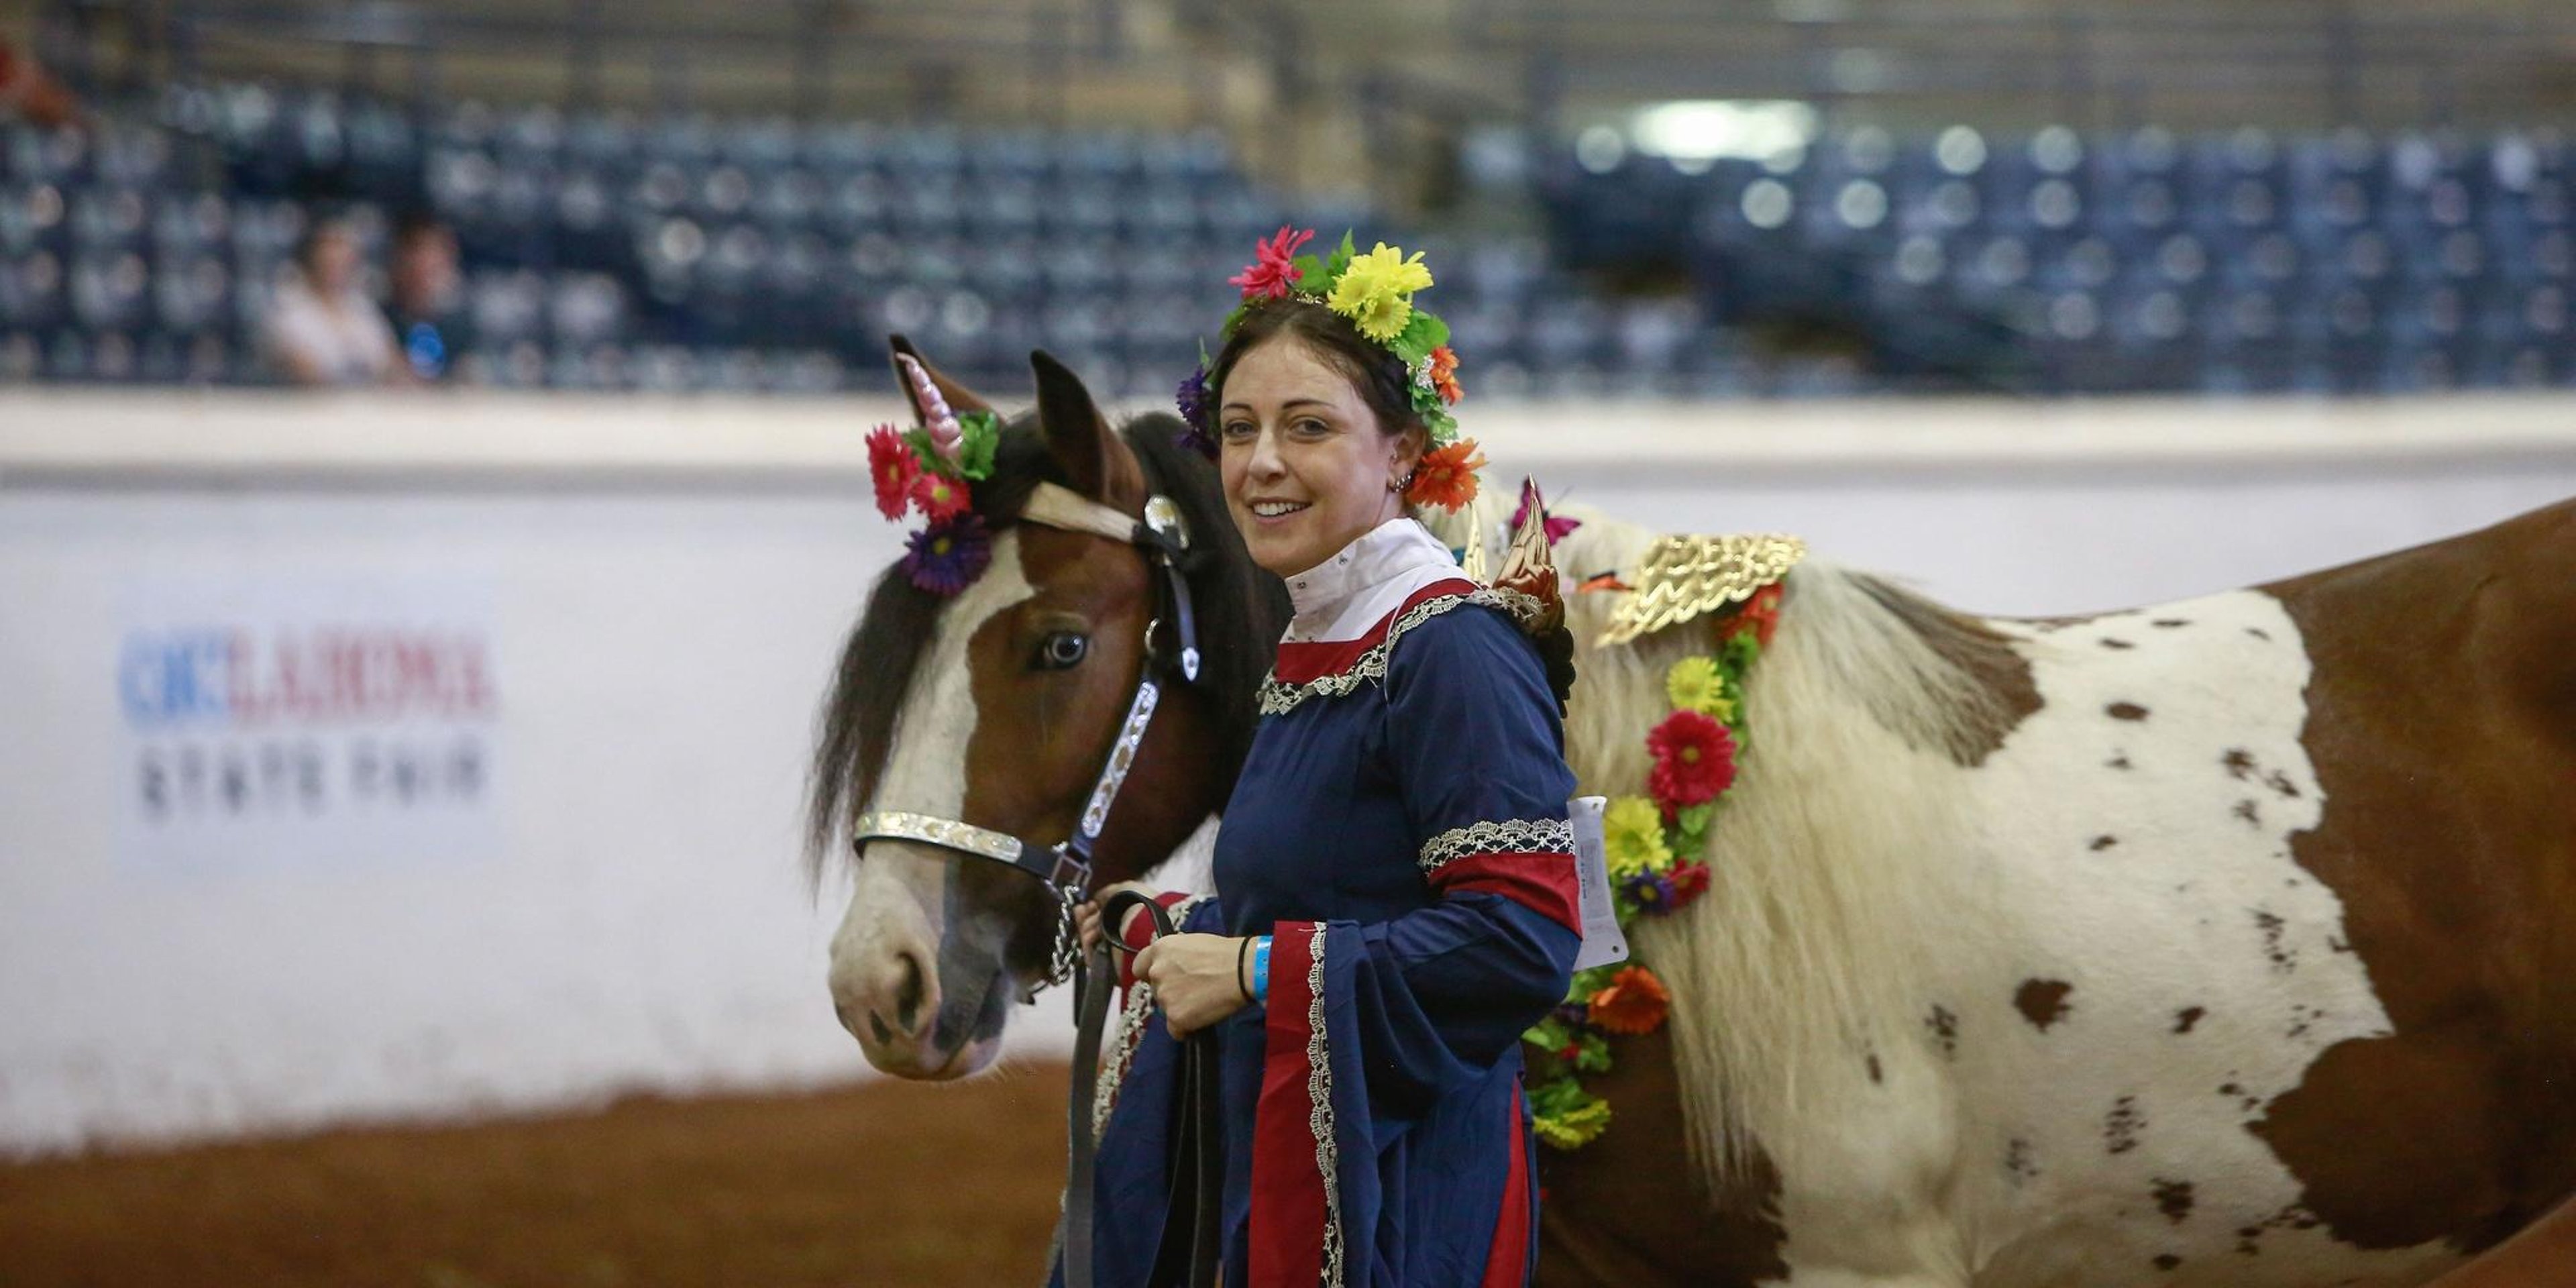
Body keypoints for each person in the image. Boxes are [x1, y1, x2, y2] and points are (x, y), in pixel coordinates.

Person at [1059, 231, 1582, 1287]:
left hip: (1406, 1194)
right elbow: (1339, 896)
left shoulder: (1449, 647)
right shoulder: (1325, 638)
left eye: (1309, 427)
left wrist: (1251, 971)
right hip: (1318, 1158)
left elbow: (1522, 937)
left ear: (1400, 453)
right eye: (1238, 429)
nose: (1260, 463)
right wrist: (1174, 930)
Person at [264, 213, 409, 387]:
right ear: (310, 255)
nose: (336, 257)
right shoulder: (288, 312)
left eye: (342, 247)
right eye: (329, 247)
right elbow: (307, 374)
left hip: (370, 400)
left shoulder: (363, 309)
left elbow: (394, 364)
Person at [385, 211, 464, 381]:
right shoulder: (379, 321)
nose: (426, 262)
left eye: (436, 254)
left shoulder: (460, 324)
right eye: (418, 252)